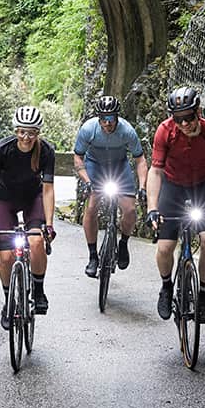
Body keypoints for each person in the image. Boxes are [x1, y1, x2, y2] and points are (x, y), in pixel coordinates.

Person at [144, 86, 205, 324]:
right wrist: (152, 208)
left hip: (203, 188)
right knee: (164, 248)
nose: (184, 124)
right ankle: (166, 287)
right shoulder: (164, 131)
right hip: (172, 188)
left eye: (189, 117)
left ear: (199, 112)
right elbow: (155, 171)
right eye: (178, 118)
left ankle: (203, 298)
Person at [0, 105, 58, 330]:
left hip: (32, 199)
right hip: (5, 200)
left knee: (35, 242)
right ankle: (8, 302)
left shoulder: (46, 151)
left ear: (38, 133)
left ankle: (38, 289)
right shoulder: (2, 149)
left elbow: (48, 189)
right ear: (16, 131)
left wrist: (50, 225)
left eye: (32, 132)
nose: (27, 137)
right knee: (5, 258)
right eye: (23, 132)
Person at [73, 93, 148, 279]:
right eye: (104, 119)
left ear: (117, 117)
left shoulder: (127, 131)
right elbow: (77, 157)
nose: (108, 123)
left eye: (111, 119)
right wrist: (87, 180)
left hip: (119, 167)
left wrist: (143, 187)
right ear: (99, 119)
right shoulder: (88, 129)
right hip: (95, 166)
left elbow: (140, 160)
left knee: (130, 210)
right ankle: (92, 256)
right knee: (91, 207)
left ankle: (123, 243)